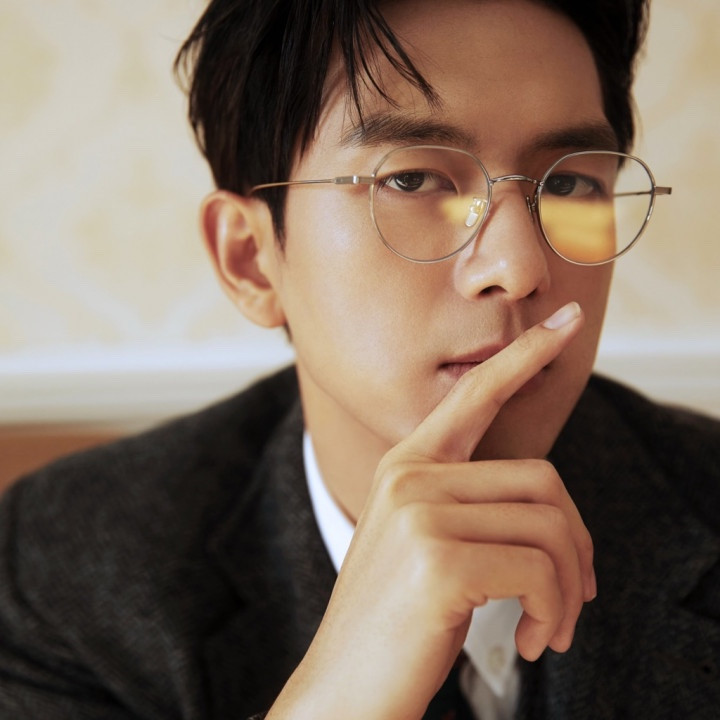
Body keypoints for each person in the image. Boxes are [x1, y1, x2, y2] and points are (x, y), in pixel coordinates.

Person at [0, 0, 718, 718]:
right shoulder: (61, 568)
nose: (519, 266)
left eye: (568, 183)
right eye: (413, 180)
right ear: (251, 259)